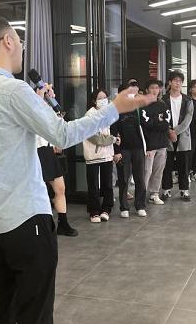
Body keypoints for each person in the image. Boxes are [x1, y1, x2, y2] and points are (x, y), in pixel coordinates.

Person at [0, 16, 153, 324]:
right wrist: (114, 109)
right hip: (26, 221)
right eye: (18, 39)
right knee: (34, 319)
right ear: (7, 41)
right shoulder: (13, 90)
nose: (21, 47)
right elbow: (62, 134)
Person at [35, 84, 77, 236]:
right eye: (45, 93)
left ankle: (63, 223)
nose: (49, 95)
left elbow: (58, 126)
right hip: (35, 151)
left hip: (48, 150)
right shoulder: (33, 108)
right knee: (38, 192)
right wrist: (40, 96)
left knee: (60, 188)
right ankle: (41, 226)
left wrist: (52, 100)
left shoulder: (51, 109)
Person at [112, 83, 147, 218]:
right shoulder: (116, 110)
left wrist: (146, 148)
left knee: (140, 178)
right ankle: (124, 207)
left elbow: (144, 129)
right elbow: (113, 131)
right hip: (124, 149)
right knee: (124, 179)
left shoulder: (137, 108)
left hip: (138, 148)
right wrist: (116, 150)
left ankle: (140, 205)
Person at [82, 89, 117, 223]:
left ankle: (106, 209)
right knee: (93, 185)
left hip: (107, 155)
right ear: (94, 100)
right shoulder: (89, 115)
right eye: (100, 98)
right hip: (93, 156)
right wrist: (113, 139)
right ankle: (94, 211)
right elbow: (95, 138)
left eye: (105, 97)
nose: (103, 100)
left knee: (108, 183)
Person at [161, 70, 193, 202]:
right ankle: (166, 189)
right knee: (166, 164)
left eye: (180, 81)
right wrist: (169, 131)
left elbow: (188, 118)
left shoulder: (188, 100)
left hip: (183, 135)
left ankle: (184, 190)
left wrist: (176, 131)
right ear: (170, 82)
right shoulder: (163, 99)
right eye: (175, 80)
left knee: (183, 165)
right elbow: (161, 117)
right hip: (167, 136)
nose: (178, 83)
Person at [140, 79, 170, 205]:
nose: (154, 90)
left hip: (162, 143)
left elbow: (166, 123)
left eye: (157, 88)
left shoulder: (163, 105)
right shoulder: (143, 105)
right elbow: (145, 123)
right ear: (147, 90)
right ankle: (141, 195)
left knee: (158, 170)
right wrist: (158, 120)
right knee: (146, 171)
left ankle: (154, 194)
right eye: (152, 88)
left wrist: (155, 121)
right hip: (149, 145)